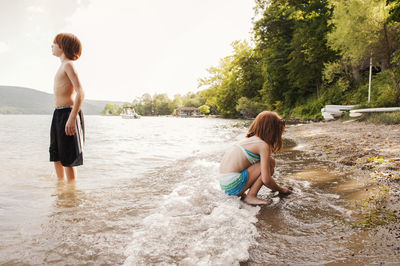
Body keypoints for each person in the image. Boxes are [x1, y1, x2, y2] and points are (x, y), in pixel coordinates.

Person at [219, 111, 292, 205]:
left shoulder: (248, 141)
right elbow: (266, 180)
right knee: (270, 163)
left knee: (269, 162)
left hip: (225, 185)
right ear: (272, 130)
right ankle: (251, 196)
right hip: (233, 186)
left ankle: (248, 194)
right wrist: (281, 189)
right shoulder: (262, 144)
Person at [49, 33, 85, 181]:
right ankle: (61, 191)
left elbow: (80, 92)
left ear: (62, 47)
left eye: (54, 43)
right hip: (57, 114)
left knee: (68, 159)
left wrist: (71, 118)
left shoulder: (69, 65)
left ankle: (71, 195)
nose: (51, 46)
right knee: (56, 155)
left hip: (68, 113)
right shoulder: (61, 66)